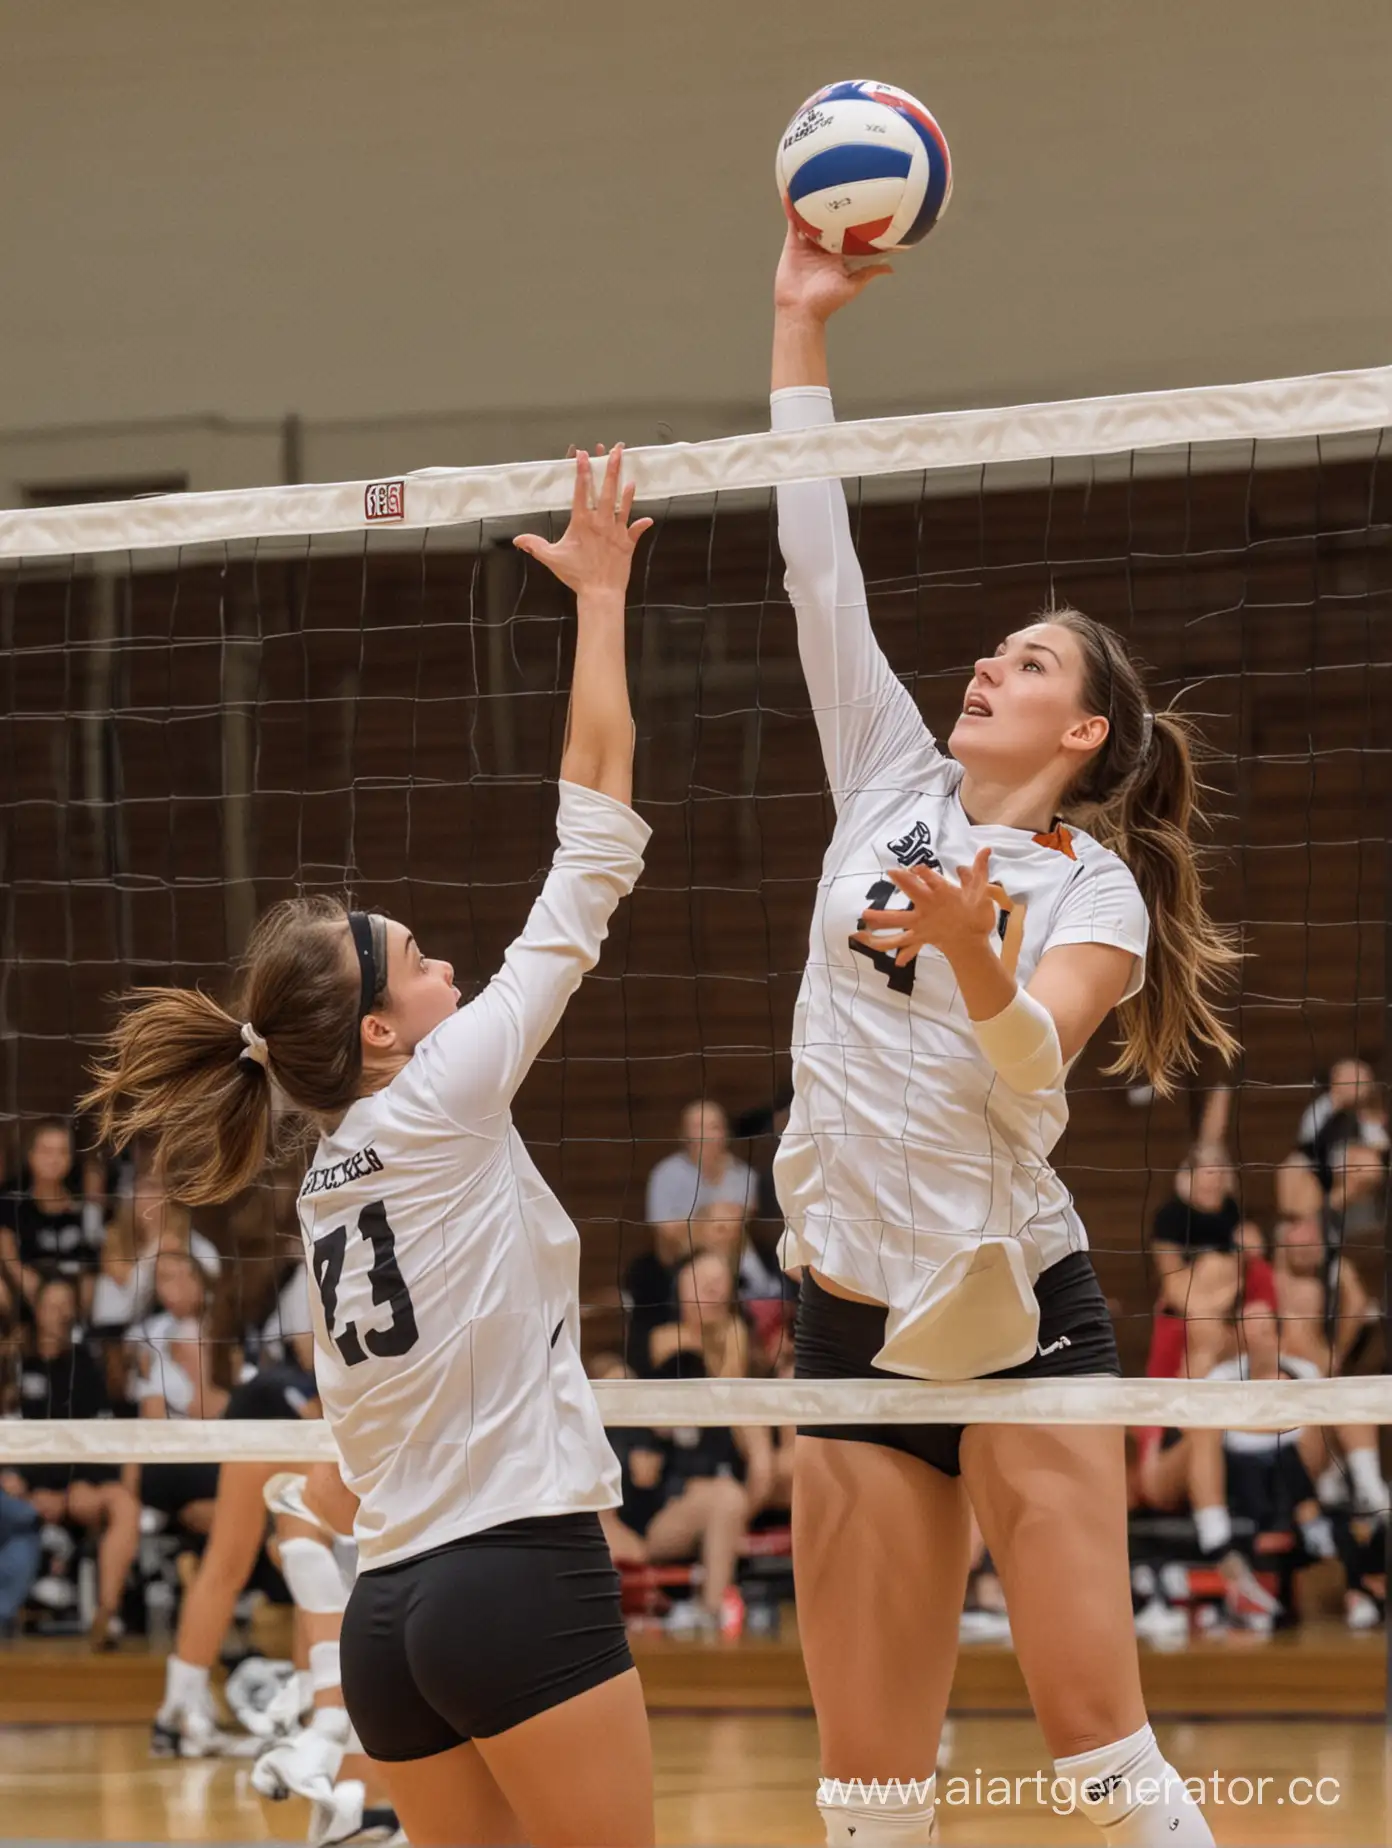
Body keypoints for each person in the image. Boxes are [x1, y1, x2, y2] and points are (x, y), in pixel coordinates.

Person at [84, 447, 656, 1848]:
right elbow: (595, 844)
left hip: (390, 1617)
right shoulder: (444, 1096)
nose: (451, 963)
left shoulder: (331, 1163)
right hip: (514, 1569)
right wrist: (600, 599)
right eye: (420, 960)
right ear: (388, 1035)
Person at [769, 225, 1240, 1848]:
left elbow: (1034, 1068)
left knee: (1098, 1757)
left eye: (1027, 661)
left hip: (1012, 1318)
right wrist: (796, 318)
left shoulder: (1088, 883)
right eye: (993, 649)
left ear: (1083, 727)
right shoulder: (884, 776)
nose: (987, 662)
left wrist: (979, 960)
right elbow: (813, 556)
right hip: (848, 1321)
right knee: (870, 1794)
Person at [6, 1275, 142, 1648]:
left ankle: (106, 1614)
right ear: (37, 1310)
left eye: (68, 1306)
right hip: (19, 1485)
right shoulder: (15, 1361)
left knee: (125, 1505)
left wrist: (69, 1488)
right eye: (52, 1305)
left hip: (76, 1484)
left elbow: (98, 1435)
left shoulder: (85, 1366)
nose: (60, 1314)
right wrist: (24, 1481)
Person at [0, 1119, 103, 1311]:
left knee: (58, 1298)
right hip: (25, 1290)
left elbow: (92, 1263)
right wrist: (35, 1290)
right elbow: (10, 1260)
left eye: (62, 1152)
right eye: (46, 1151)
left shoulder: (83, 1207)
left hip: (72, 1295)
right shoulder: (12, 1203)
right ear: (31, 1156)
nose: (54, 1159)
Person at [645, 1099, 757, 1231]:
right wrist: (706, 1216)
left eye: (714, 1127)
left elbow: (741, 1224)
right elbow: (665, 1233)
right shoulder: (666, 1173)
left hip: (738, 1250)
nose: (706, 1135)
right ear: (683, 1135)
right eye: (698, 1127)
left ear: (726, 1134)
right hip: (687, 1250)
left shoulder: (743, 1174)